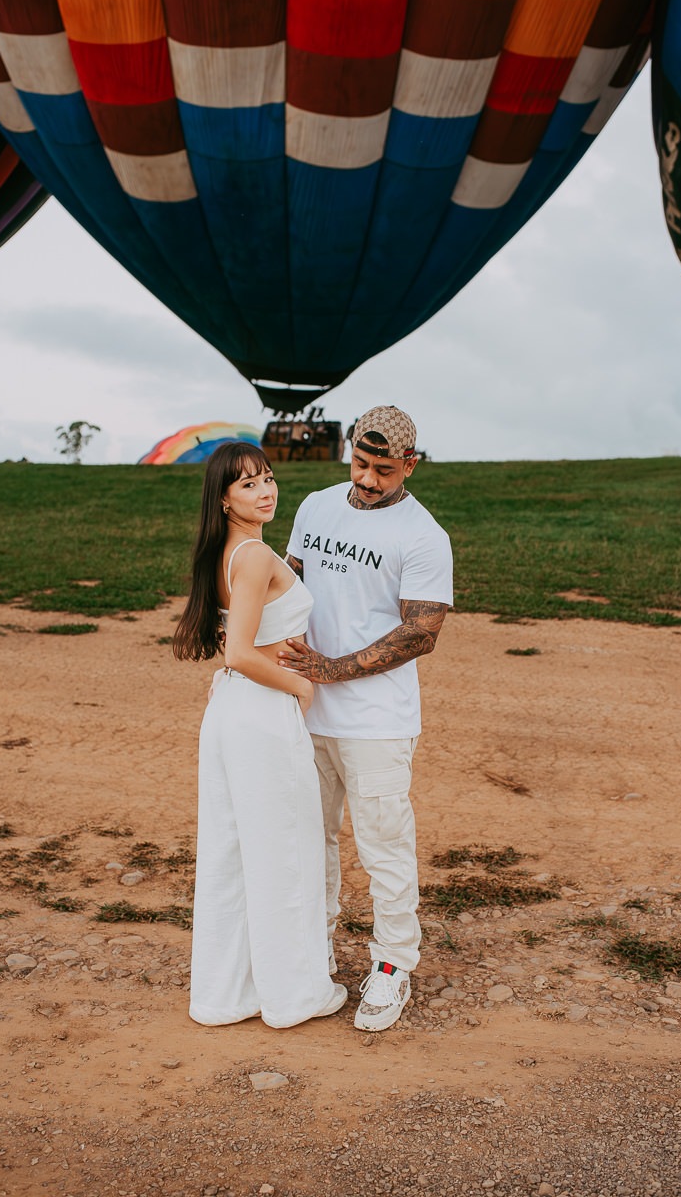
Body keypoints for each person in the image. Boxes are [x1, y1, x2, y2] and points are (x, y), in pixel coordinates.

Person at [279, 406, 453, 1032]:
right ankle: (313, 949)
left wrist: (332, 669)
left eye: (384, 470)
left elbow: (421, 632)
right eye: (360, 464)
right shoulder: (316, 506)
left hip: (378, 722)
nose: (369, 480)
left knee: (383, 846)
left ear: (410, 465)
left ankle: (391, 966)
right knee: (309, 838)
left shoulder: (424, 535)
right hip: (305, 712)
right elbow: (287, 585)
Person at [173, 441, 347, 1029]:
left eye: (268, 477)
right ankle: (296, 996)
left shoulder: (226, 551)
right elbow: (241, 653)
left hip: (231, 710)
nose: (266, 491)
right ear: (224, 499)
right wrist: (301, 688)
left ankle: (226, 995)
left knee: (232, 851)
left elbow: (231, 645)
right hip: (262, 711)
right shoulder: (251, 555)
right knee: (285, 850)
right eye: (248, 484)